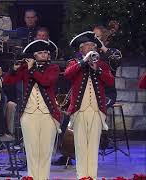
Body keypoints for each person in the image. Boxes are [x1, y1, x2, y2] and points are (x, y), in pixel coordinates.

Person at [3, 40, 61, 180]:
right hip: (28, 114)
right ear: (34, 55)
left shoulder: (53, 68)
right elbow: (7, 82)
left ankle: (43, 177)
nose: (44, 55)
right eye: (40, 53)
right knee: (31, 150)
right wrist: (14, 69)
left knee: (45, 150)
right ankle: (32, 177)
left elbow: (46, 82)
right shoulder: (25, 68)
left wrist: (31, 69)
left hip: (48, 114)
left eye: (46, 53)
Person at [65, 31, 115, 179]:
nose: (91, 48)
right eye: (88, 46)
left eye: (93, 46)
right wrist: (83, 62)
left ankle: (91, 176)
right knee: (80, 146)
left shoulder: (101, 64)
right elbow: (67, 74)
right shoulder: (74, 62)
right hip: (79, 110)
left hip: (96, 110)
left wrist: (97, 69)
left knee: (93, 146)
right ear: (81, 49)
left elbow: (110, 82)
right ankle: (82, 176)